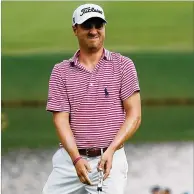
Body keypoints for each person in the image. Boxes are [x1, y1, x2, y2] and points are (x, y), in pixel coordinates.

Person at [42, 3, 141, 194]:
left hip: (110, 160)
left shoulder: (123, 65)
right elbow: (60, 120)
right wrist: (76, 159)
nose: (94, 31)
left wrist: (111, 150)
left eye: (99, 25)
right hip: (69, 161)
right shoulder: (60, 71)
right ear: (75, 29)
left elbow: (134, 115)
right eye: (87, 26)